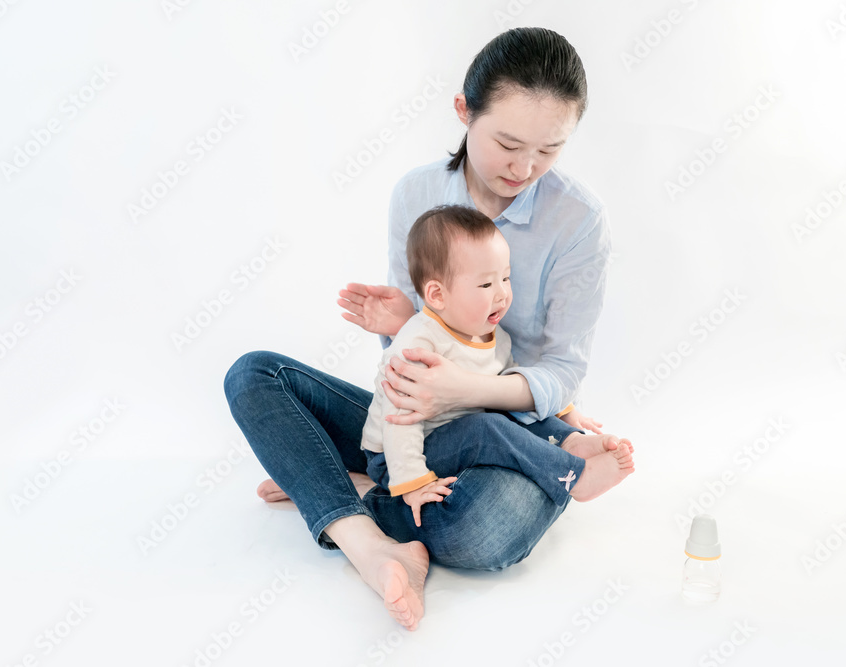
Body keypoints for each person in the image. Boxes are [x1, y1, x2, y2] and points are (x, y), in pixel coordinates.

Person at [224, 27, 628, 633]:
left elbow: (561, 368)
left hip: (513, 424)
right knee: (253, 375)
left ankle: (333, 489)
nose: (525, 168)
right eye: (508, 143)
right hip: (418, 423)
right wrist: (399, 324)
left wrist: (474, 396)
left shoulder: (577, 220)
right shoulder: (417, 194)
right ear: (464, 111)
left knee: (483, 532)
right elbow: (408, 362)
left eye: (550, 150)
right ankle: (374, 544)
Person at [361, 204, 634, 527]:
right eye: (486, 285)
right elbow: (398, 423)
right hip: (397, 458)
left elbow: (509, 380)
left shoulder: (492, 334)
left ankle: (570, 441)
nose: (502, 294)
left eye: (505, 278)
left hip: (456, 431)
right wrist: (414, 482)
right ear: (437, 294)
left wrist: (563, 411)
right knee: (487, 429)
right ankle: (573, 478)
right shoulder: (415, 348)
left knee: (510, 403)